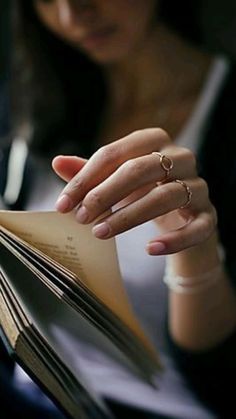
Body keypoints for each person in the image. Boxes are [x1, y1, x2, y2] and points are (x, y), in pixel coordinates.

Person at [1, 0, 236, 418]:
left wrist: (197, 251)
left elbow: (225, 374)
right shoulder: (41, 105)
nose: (73, 15)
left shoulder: (223, 122)